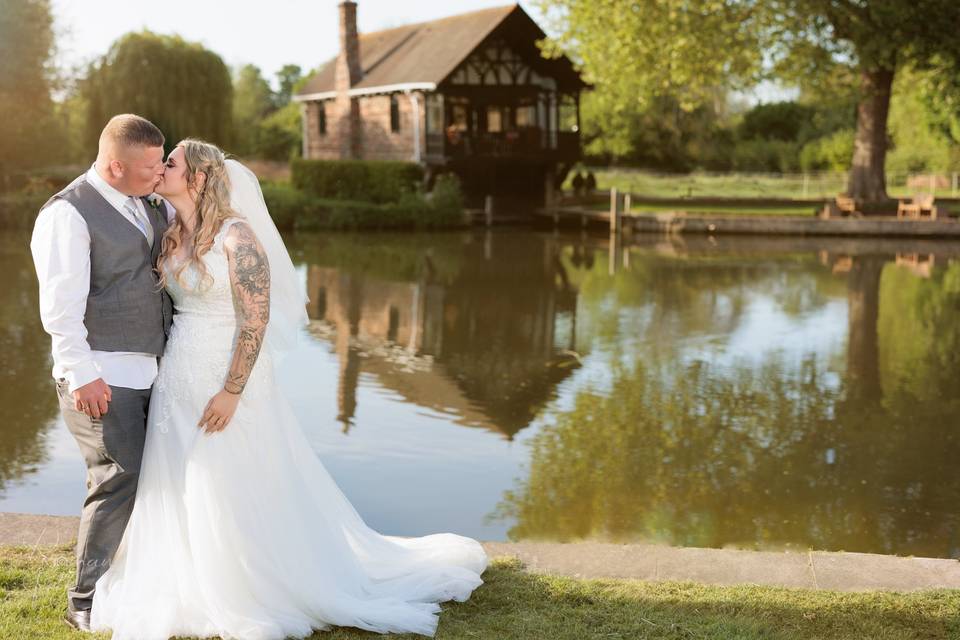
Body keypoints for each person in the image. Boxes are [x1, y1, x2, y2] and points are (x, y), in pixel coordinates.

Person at [88, 138, 488, 639]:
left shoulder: (237, 238)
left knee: (228, 477)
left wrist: (232, 391)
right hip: (178, 373)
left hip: (225, 375)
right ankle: (186, 577)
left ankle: (247, 584)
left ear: (200, 177)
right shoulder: (168, 232)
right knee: (179, 474)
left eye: (171, 163)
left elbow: (255, 321)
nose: (161, 168)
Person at [29, 114, 173, 633]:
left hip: (153, 368)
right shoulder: (67, 215)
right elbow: (60, 309)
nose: (160, 172)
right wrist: (81, 374)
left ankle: (136, 581)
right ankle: (83, 597)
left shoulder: (146, 203)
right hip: (102, 376)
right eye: (151, 165)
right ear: (115, 164)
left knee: (148, 477)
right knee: (116, 479)